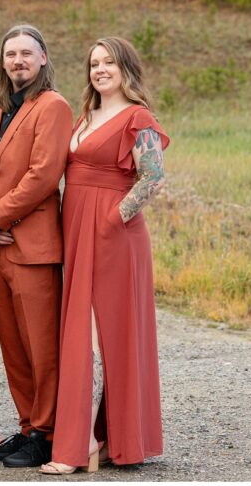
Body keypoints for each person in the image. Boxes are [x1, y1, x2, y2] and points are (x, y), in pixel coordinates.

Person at [40, 37, 168, 475]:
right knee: (85, 331)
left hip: (114, 236)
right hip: (77, 230)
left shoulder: (138, 117)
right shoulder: (86, 115)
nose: (100, 70)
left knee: (94, 335)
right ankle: (108, 437)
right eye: (94, 63)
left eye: (109, 62)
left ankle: (83, 443)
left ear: (125, 67)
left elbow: (153, 178)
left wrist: (113, 219)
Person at [0, 25, 73, 468]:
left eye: (26, 53)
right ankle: (28, 425)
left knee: (42, 347)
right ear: (3, 61)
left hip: (33, 246)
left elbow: (44, 175)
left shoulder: (53, 106)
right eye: (11, 54)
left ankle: (48, 434)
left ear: (43, 58)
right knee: (13, 347)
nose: (18, 61)